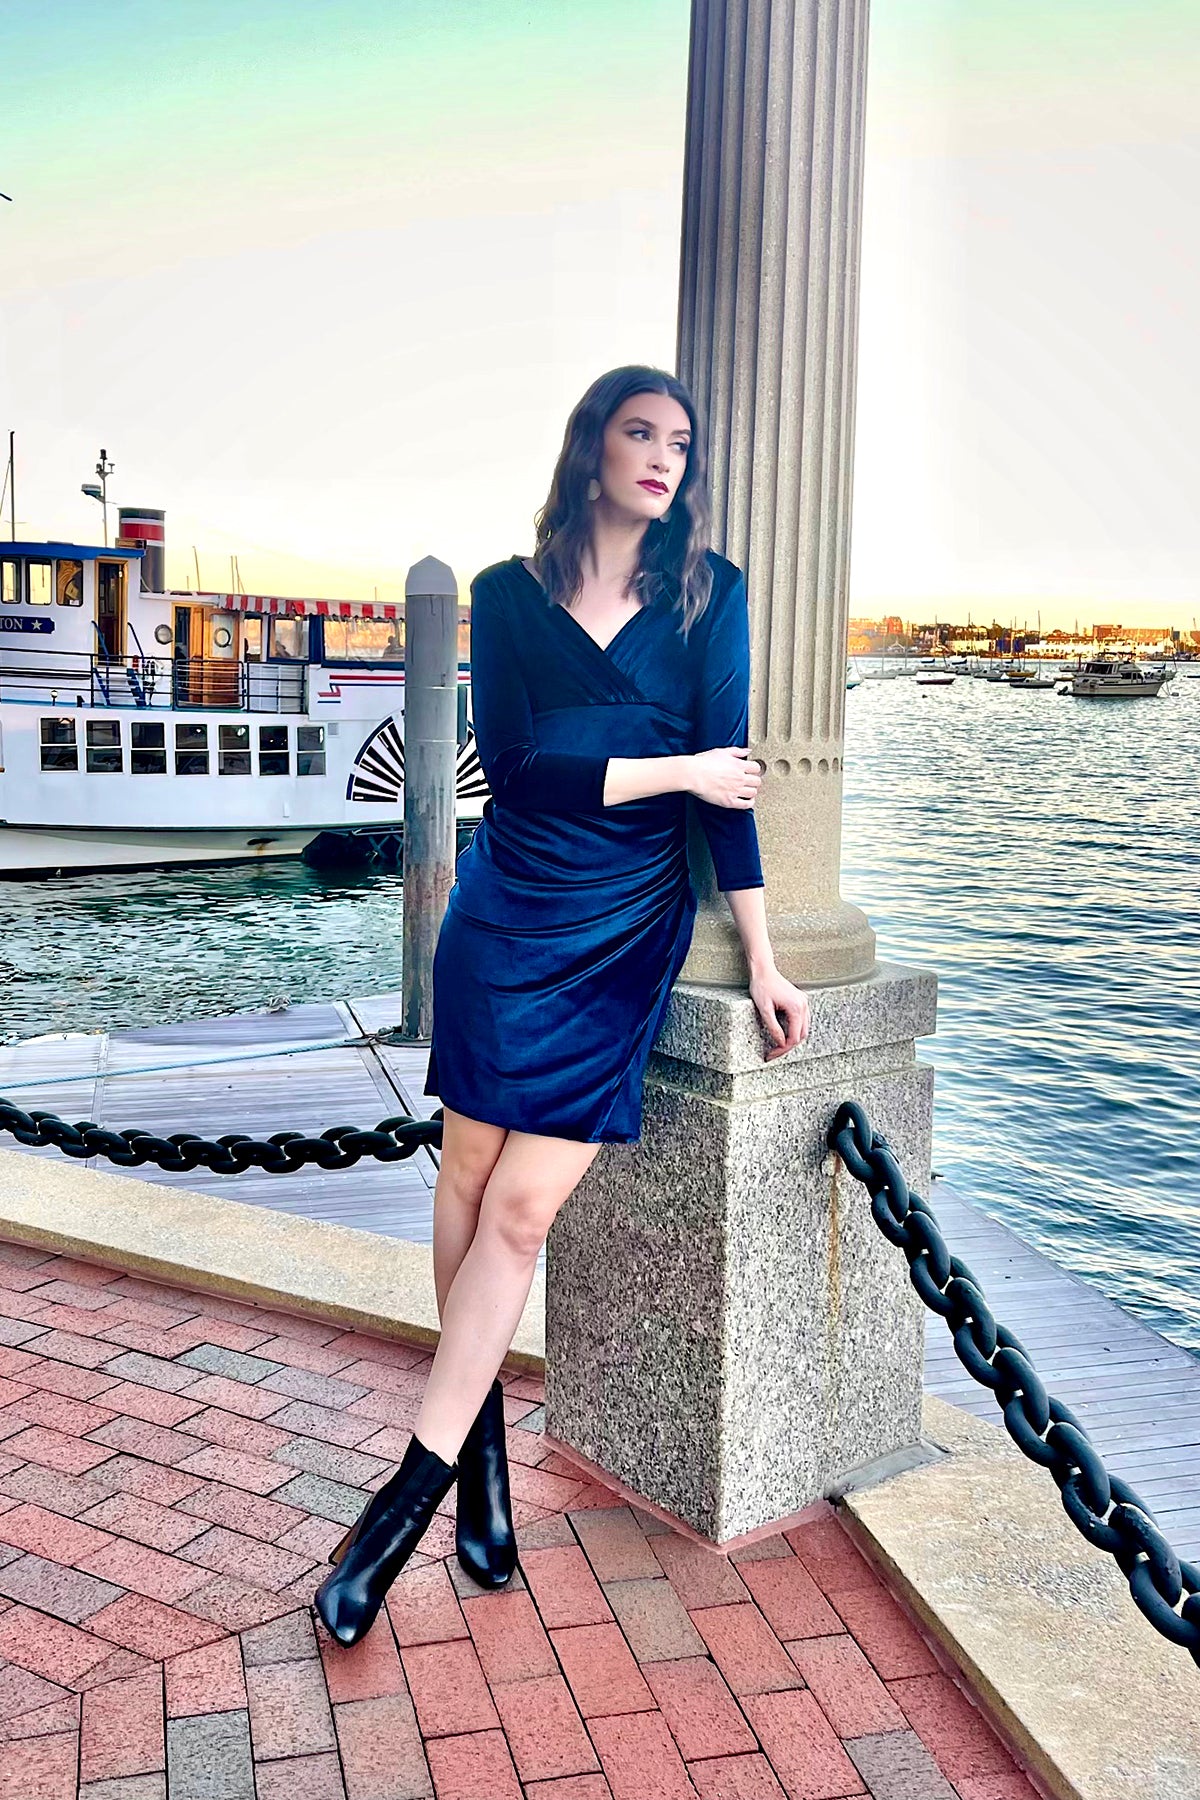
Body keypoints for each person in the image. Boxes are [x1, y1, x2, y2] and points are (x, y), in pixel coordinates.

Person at [316, 365, 811, 1647]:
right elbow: (521, 771)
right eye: (640, 432)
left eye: (680, 442)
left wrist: (763, 958)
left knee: (522, 1210)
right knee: (465, 1181)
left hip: (621, 936)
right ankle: (478, 1466)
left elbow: (728, 794)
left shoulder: (711, 594)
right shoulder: (505, 594)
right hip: (505, 916)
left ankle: (399, 1512)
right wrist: (678, 765)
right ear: (593, 446)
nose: (664, 457)